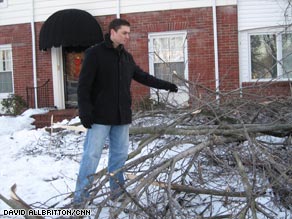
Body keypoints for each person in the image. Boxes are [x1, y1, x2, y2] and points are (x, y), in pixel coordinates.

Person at [74, 18, 178, 204]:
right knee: (91, 156)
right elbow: (83, 85)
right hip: (99, 117)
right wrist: (85, 111)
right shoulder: (94, 53)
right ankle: (81, 198)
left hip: (122, 117)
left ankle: (117, 192)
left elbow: (143, 77)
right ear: (112, 32)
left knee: (119, 156)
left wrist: (166, 85)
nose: (128, 36)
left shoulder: (126, 57)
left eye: (129, 33)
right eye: (124, 33)